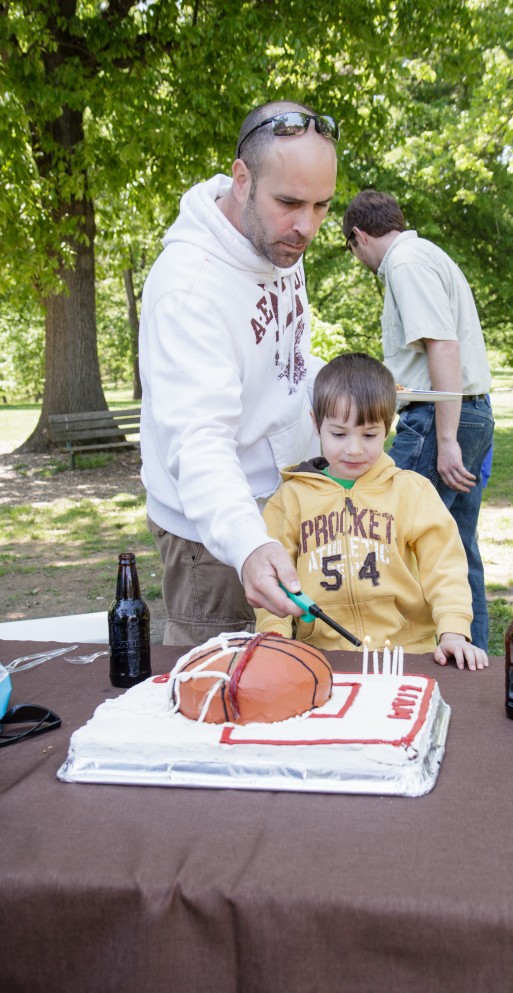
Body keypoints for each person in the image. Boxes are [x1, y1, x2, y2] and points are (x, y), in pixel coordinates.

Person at [139, 101, 339, 645]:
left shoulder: (277, 243)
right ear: (242, 178)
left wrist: (346, 389)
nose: (307, 227)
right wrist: (248, 544)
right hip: (215, 537)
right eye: (290, 203)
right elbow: (199, 442)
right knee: (222, 701)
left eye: (322, 205)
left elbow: (284, 363)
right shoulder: (188, 289)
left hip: (282, 503)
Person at [256, 354, 488, 670]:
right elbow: (275, 579)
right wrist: (275, 637)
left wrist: (454, 631)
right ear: (316, 424)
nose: (354, 448)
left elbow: (444, 567)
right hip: (323, 659)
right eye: (339, 434)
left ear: (388, 426)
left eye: (369, 435)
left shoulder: (412, 492)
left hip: (409, 656)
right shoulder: (290, 500)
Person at [342, 190, 494, 651]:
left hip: (439, 418)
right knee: (457, 546)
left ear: (359, 237)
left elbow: (442, 346)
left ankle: (407, 657)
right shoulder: (426, 254)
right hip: (469, 411)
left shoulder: (405, 263)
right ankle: (474, 657)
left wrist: (445, 439)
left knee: (394, 536)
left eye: (352, 250)